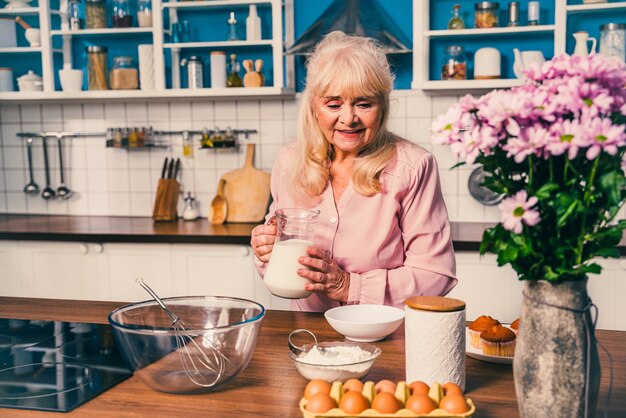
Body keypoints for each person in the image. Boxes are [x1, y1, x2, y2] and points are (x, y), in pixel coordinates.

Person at [251, 31, 457, 312]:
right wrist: (267, 252)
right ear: (314, 106)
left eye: (364, 103)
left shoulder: (413, 167)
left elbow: (436, 275)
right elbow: (280, 266)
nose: (348, 119)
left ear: (383, 106)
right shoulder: (289, 162)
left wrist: (348, 286)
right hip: (309, 336)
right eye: (334, 104)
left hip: (386, 337)